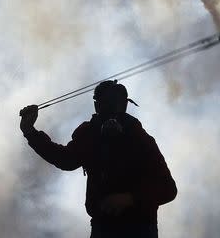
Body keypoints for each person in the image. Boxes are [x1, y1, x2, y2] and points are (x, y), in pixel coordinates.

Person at [19, 80, 177, 238]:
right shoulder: (91, 134)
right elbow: (66, 159)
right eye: (105, 104)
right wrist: (30, 131)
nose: (108, 110)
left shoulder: (138, 138)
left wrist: (130, 198)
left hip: (138, 227)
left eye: (112, 104)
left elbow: (168, 189)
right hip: (104, 227)